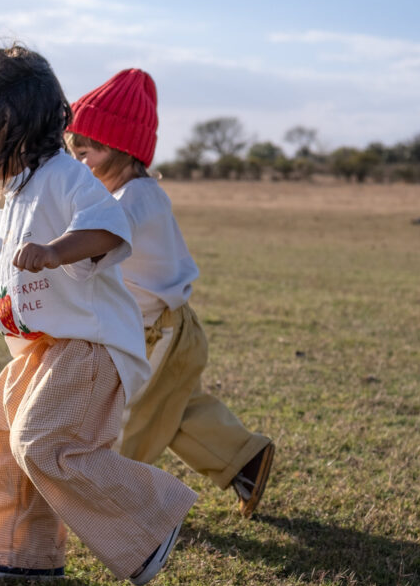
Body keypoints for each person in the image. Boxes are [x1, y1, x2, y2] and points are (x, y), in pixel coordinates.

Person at [0, 39, 197, 584]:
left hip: (90, 344)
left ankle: (150, 523)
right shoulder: (21, 192)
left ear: (11, 124)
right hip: (46, 348)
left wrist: (56, 252)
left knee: (42, 442)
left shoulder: (65, 176)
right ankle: (22, 554)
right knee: (1, 434)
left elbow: (109, 227)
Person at [64, 69, 274, 517]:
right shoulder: (128, 195)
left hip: (159, 334)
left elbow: (99, 240)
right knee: (175, 409)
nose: (82, 167)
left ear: (123, 150)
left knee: (128, 420)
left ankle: (115, 505)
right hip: (164, 329)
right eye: (75, 155)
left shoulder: (135, 199)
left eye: (91, 154)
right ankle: (246, 459)